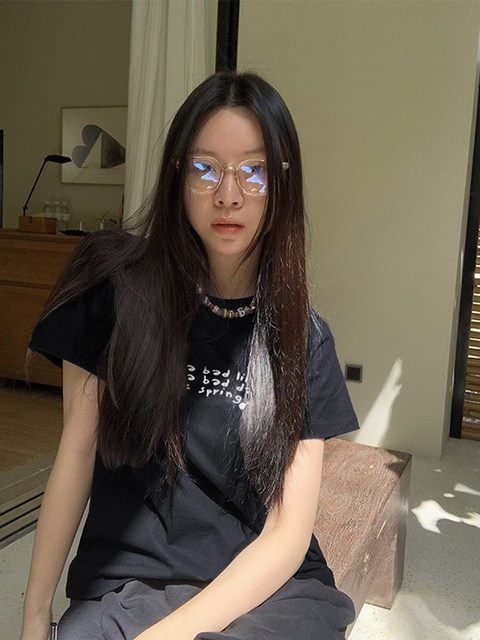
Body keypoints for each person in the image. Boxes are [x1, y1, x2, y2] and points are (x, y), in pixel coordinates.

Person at [20, 72, 359, 640]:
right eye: (206, 168)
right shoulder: (114, 290)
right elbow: (75, 454)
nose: (228, 194)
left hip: (263, 591)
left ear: (282, 184)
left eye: (253, 171)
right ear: (177, 175)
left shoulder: (303, 338)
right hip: (131, 582)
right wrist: (34, 615)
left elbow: (286, 536)